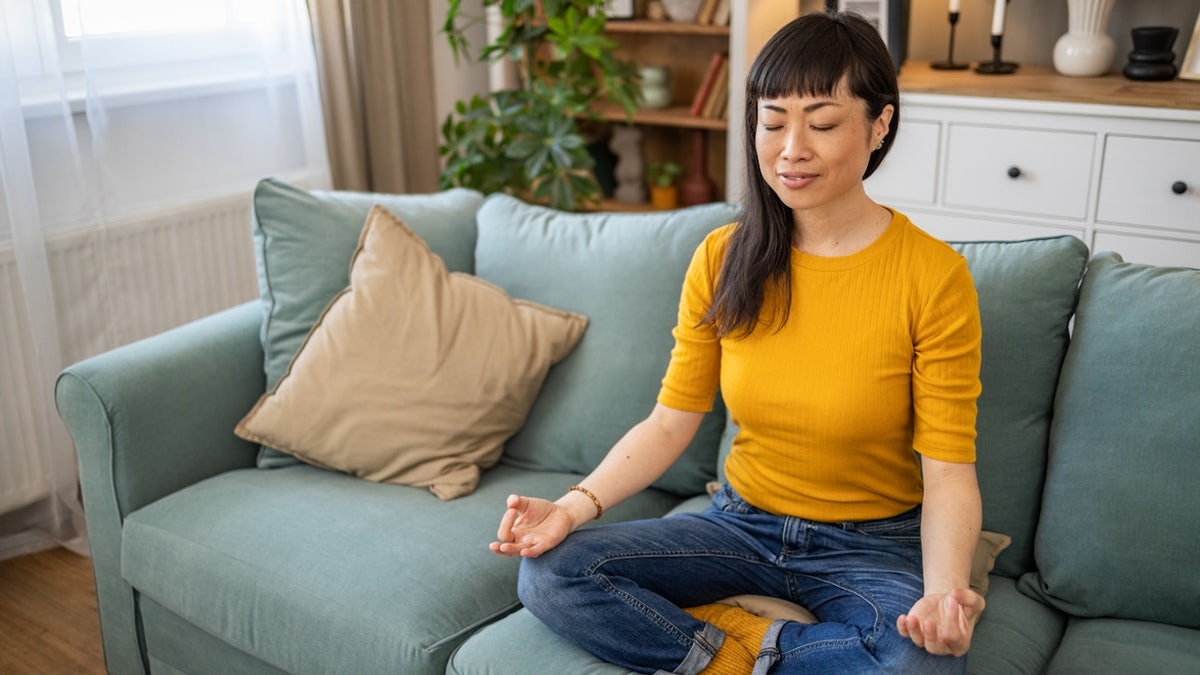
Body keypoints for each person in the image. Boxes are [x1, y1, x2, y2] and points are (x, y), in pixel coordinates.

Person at [490, 10, 985, 674]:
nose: (790, 149)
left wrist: (942, 595)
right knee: (550, 572)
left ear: (880, 123)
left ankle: (726, 648)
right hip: (739, 523)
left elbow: (949, 470)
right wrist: (571, 508)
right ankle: (734, 655)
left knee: (918, 664)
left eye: (824, 122)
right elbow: (671, 421)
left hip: (868, 546)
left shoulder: (933, 276)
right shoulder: (723, 258)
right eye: (773, 121)